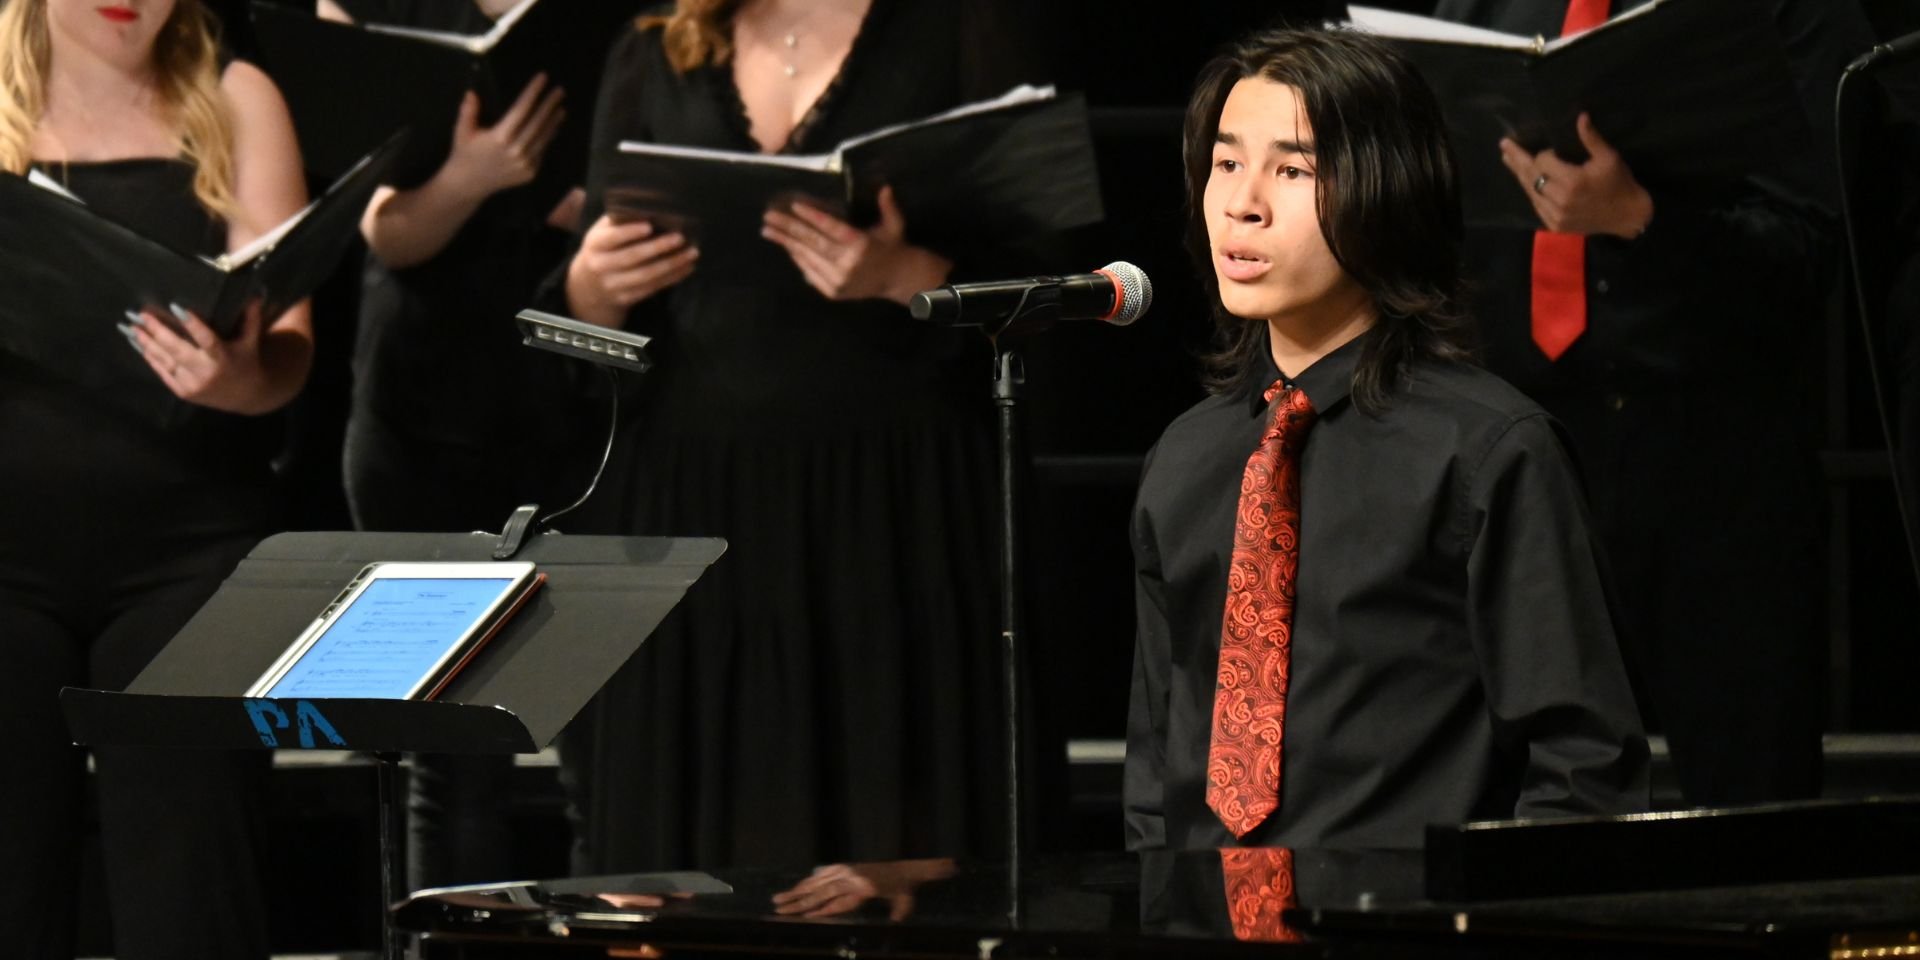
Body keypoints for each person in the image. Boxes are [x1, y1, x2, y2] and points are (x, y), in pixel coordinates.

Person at [1124, 26, 1648, 853]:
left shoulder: (1487, 451)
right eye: (1226, 163)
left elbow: (1581, 770)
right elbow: (1159, 772)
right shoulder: (1186, 458)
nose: (1242, 201)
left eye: (1292, 169)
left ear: (1385, 189)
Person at [554, 0, 1047, 872]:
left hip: (893, 501)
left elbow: (1060, 278)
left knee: (888, 822)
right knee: (701, 843)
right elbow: (590, 302)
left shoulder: (966, 27)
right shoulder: (655, 42)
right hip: (692, 497)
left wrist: (903, 274)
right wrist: (593, 284)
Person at [1429, 0, 1859, 806]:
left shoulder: (1775, 15)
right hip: (1522, 454)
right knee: (1511, 808)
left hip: (1716, 460)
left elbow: (1822, 245)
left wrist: (1637, 218)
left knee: (1748, 812)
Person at [0, 0, 311, 956]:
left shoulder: (237, 96)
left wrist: (241, 377)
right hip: (4, 558)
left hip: (189, 551)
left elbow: (293, 355)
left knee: (195, 897)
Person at [315, 0, 610, 891]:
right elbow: (383, 229)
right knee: (453, 761)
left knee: (607, 755)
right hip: (424, 413)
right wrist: (476, 177)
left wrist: (595, 207)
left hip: (580, 400)